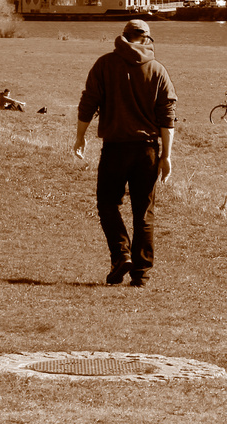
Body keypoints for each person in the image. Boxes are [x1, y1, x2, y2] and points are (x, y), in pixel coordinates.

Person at [73, 18, 176, 287]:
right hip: (147, 151)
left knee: (107, 204)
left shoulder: (105, 64)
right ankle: (141, 275)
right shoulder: (157, 70)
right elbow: (167, 117)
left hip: (115, 148)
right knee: (144, 211)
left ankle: (121, 255)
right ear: (147, 39)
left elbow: (88, 103)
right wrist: (166, 155)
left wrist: (80, 136)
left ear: (124, 37)